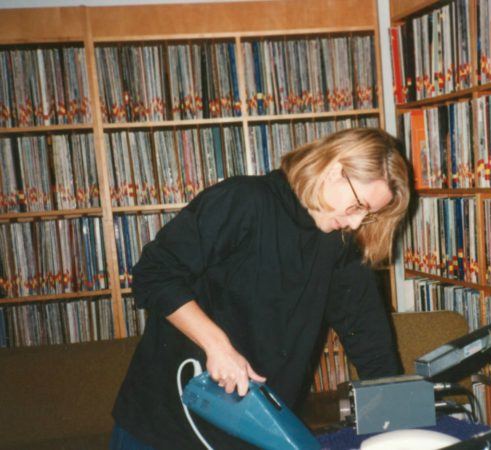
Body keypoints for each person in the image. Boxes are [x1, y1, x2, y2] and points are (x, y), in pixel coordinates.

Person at [111, 127, 412, 450]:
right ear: (335, 169)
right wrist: (217, 345)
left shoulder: (341, 242)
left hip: (255, 427)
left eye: (368, 215)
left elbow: (370, 340)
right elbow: (153, 273)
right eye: (357, 205)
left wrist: (397, 430)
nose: (356, 223)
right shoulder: (245, 201)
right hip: (164, 424)